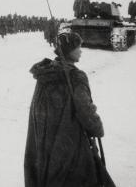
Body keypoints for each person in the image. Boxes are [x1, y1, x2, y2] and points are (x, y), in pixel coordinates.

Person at [25, 32, 114, 187]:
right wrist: (96, 127)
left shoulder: (45, 74)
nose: (81, 50)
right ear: (69, 50)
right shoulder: (76, 76)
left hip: (45, 140)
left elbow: (37, 107)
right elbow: (84, 108)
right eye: (78, 47)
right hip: (70, 141)